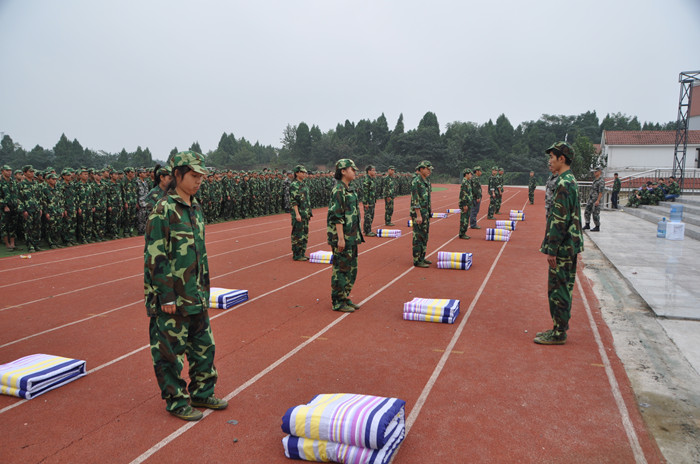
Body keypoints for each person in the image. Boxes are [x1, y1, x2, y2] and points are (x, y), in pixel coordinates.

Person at [144, 150, 227, 421]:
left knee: (204, 347)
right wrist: (166, 297)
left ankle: (202, 392)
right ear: (177, 175)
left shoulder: (195, 207)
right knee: (170, 353)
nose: (199, 180)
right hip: (173, 298)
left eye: (201, 176)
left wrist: (204, 290)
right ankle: (176, 401)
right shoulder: (163, 210)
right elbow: (155, 257)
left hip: (196, 293)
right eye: (193, 175)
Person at [536, 142, 583, 345]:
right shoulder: (569, 180)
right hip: (569, 244)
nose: (550, 161)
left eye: (552, 157)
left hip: (563, 247)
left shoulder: (564, 183)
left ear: (561, 159)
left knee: (558, 290)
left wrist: (552, 249)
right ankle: (559, 328)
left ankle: (559, 333)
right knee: (563, 287)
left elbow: (559, 219)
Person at [327, 159, 364, 312]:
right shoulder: (338, 190)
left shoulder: (350, 189)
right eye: (352, 169)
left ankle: (344, 297)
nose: (354, 172)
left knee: (351, 269)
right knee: (341, 269)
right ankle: (338, 301)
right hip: (342, 237)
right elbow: (337, 216)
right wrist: (341, 238)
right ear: (343, 171)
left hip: (352, 235)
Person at [411, 160, 433, 267]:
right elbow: (415, 200)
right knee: (418, 236)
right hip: (419, 213)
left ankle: (422, 257)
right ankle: (417, 259)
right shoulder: (416, 181)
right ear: (421, 169)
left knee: (424, 236)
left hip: (425, 212)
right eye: (427, 169)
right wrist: (418, 215)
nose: (429, 171)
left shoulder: (426, 181)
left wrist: (429, 211)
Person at [289, 165, 313, 261]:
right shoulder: (294, 185)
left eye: (305, 172)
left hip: (305, 213)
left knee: (304, 234)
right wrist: (297, 214)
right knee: (298, 234)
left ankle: (302, 253)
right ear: (297, 173)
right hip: (299, 213)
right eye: (302, 172)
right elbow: (294, 201)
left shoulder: (303, 184)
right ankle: (297, 254)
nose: (304, 174)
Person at [583, 167, 604, 232]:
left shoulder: (601, 181)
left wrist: (598, 200)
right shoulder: (595, 180)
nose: (594, 173)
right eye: (594, 172)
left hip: (596, 199)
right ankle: (587, 224)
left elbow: (601, 192)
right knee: (587, 211)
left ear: (599, 172)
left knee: (595, 213)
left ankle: (597, 226)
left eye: (596, 171)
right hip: (591, 199)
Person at [361, 165, 378, 237]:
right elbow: (365, 192)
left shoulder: (371, 179)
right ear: (369, 171)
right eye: (373, 170)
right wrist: (366, 202)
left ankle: (367, 230)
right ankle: (367, 231)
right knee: (368, 216)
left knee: (371, 216)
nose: (375, 172)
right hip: (368, 201)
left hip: (372, 200)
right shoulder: (367, 180)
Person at [458, 168, 473, 239]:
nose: (471, 175)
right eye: (470, 174)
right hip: (465, 204)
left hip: (468, 203)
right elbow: (463, 194)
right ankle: (462, 233)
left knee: (466, 218)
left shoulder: (467, 182)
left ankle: (463, 232)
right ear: (466, 174)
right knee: (464, 219)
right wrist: (464, 205)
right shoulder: (464, 182)